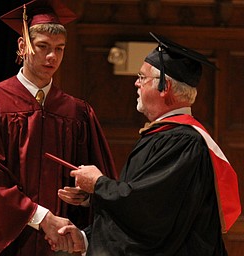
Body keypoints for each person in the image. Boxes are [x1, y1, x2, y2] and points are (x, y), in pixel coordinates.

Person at [0, 0, 117, 255]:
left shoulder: (77, 113)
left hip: (58, 247)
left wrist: (85, 198)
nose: (52, 57)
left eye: (59, 49)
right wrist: (42, 218)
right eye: (43, 47)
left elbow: (101, 180)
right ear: (23, 46)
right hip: (7, 245)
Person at [56, 32, 241, 255]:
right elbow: (143, 210)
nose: (136, 83)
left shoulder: (182, 142)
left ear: (164, 88)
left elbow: (149, 211)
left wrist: (99, 184)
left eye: (142, 77)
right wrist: (87, 233)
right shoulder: (165, 136)